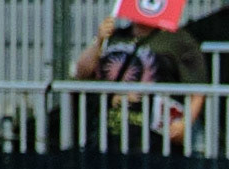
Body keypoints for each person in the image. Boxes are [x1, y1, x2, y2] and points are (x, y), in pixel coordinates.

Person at [72, 15, 206, 151]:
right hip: (108, 136)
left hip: (155, 141)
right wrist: (99, 41)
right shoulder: (113, 36)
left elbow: (197, 89)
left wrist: (184, 124)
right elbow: (82, 72)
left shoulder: (178, 40)